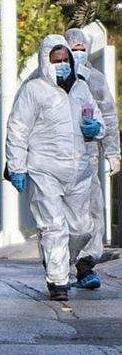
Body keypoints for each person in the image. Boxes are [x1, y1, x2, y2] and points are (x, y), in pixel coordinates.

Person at [6, 34, 105, 301]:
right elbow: (17, 130)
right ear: (45, 62)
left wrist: (96, 129)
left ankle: (58, 260)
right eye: (56, 60)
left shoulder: (81, 88)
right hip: (44, 169)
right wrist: (17, 167)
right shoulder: (33, 90)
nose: (61, 64)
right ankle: (58, 281)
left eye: (65, 59)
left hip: (79, 172)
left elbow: (98, 120)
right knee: (54, 227)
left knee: (83, 228)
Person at [64, 28, 121, 289]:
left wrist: (112, 152)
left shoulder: (94, 79)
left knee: (92, 212)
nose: (77, 54)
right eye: (72, 49)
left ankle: (85, 266)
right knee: (57, 216)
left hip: (86, 158)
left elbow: (107, 115)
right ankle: (57, 268)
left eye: (80, 49)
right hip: (53, 160)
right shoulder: (43, 79)